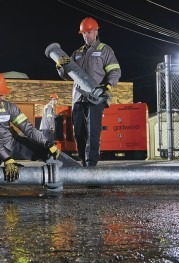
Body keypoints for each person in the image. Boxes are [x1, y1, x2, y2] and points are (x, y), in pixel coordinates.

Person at [0, 71, 59, 182]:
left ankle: (70, 173)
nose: (1, 97)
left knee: (46, 151)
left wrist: (46, 143)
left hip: (12, 143)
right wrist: (7, 159)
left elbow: (28, 128)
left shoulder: (8, 107)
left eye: (3, 93)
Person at [55, 17, 121, 167]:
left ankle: (91, 164)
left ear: (96, 31)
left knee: (93, 131)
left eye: (89, 32)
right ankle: (83, 161)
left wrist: (108, 86)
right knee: (78, 132)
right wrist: (59, 67)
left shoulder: (105, 50)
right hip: (78, 98)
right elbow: (67, 76)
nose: (86, 36)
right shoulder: (77, 53)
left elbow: (115, 71)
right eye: (84, 33)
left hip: (95, 98)